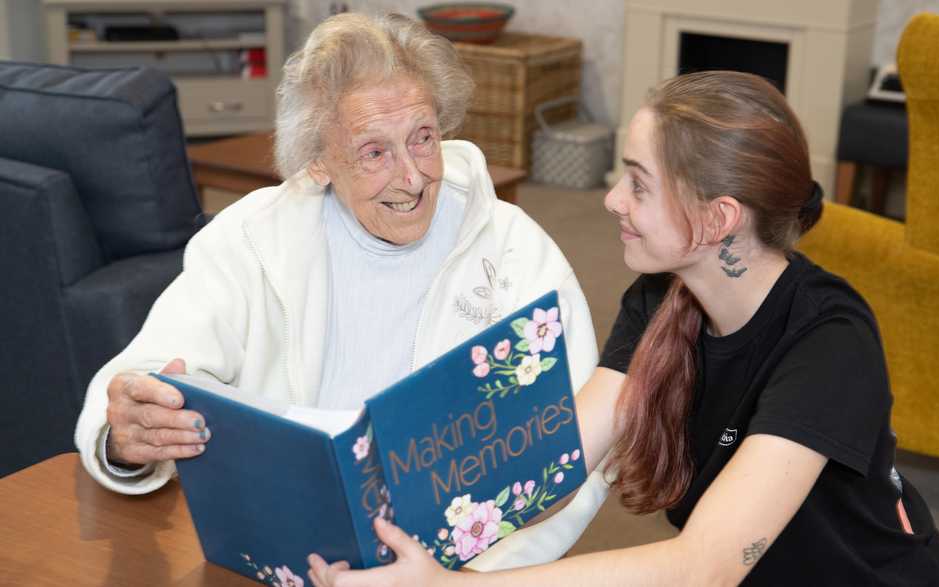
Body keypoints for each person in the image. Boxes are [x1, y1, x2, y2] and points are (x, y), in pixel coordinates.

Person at [307, 71, 939, 586]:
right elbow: (555, 464)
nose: (611, 200)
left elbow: (703, 566)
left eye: (638, 184)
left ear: (717, 219)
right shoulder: (661, 298)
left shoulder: (831, 342)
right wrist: (382, 527)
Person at [74, 12, 608, 570]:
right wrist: (125, 438)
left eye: (423, 138)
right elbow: (150, 374)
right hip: (281, 553)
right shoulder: (254, 238)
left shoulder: (515, 250)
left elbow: (579, 450)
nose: (411, 176)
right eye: (375, 151)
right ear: (320, 160)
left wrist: (463, 580)